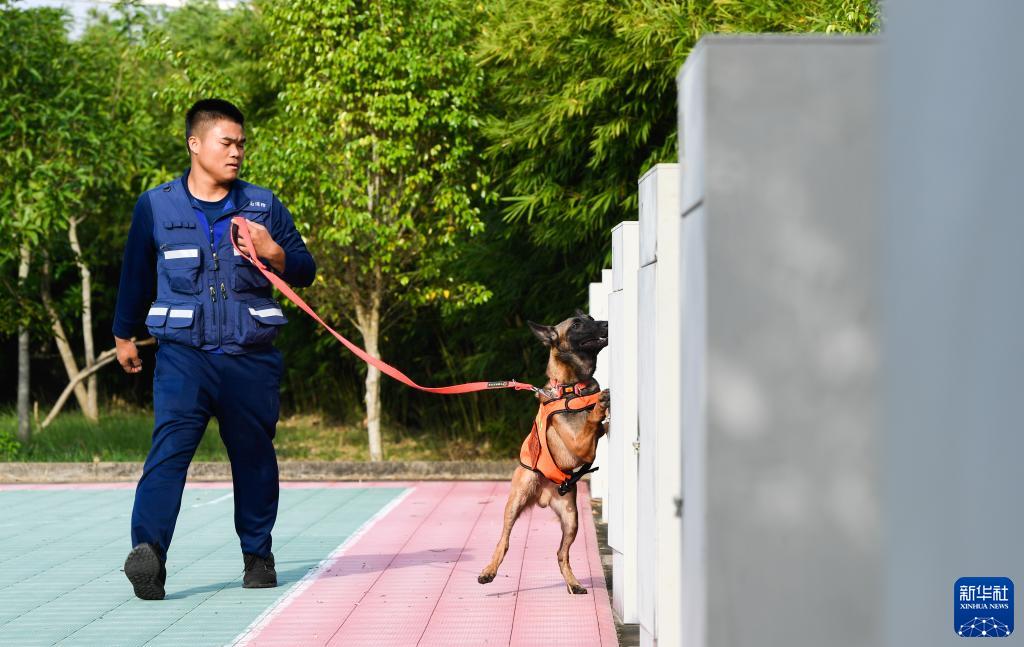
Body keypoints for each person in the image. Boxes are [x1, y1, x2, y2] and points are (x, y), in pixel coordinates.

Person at [112, 98, 316, 600]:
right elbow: (135, 275)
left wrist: (272, 251)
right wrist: (123, 334)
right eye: (227, 143)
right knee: (168, 452)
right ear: (195, 144)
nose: (237, 152)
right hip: (184, 355)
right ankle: (149, 554)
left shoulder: (263, 205)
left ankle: (257, 555)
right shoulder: (155, 206)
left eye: (241, 144)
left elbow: (305, 269)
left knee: (254, 456)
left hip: (250, 356)